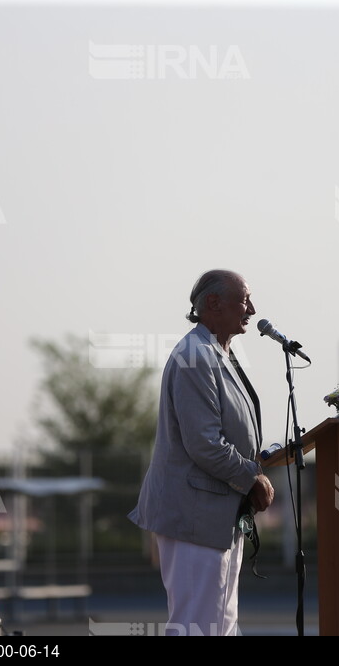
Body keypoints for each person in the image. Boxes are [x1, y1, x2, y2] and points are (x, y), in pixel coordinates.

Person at [129, 269, 275, 636]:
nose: (252, 310)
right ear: (213, 303)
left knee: (219, 626)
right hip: (194, 516)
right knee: (197, 626)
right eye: (244, 300)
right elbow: (204, 444)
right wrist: (251, 477)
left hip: (216, 516)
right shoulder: (195, 355)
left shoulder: (216, 352)